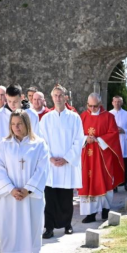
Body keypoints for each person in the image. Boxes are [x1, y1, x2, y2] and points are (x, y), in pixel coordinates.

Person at [0, 111, 49, 253]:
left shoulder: (39, 144)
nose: (16, 127)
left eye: (19, 124)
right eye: (13, 124)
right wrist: (11, 189)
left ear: (27, 124)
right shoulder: (4, 145)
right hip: (10, 199)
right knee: (10, 232)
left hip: (30, 198)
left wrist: (28, 189)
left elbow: (42, 169)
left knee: (31, 229)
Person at [37, 85, 84, 238]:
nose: (58, 98)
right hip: (51, 164)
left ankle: (67, 224)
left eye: (60, 95)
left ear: (65, 97)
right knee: (50, 198)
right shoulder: (46, 118)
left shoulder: (74, 117)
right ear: (52, 98)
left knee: (66, 197)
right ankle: (49, 227)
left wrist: (67, 158)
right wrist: (49, 157)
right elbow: (41, 140)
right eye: (55, 95)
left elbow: (78, 140)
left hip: (66, 164)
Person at [79, 93, 125, 223]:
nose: (92, 109)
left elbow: (114, 134)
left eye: (95, 106)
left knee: (104, 181)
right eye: (90, 106)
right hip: (87, 156)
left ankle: (105, 209)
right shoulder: (83, 116)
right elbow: (76, 135)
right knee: (87, 182)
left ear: (100, 104)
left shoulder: (109, 117)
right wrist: (85, 139)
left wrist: (98, 139)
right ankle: (90, 213)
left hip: (103, 156)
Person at [0, 84, 39, 149]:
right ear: (6, 96)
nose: (12, 104)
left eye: (15, 101)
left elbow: (36, 137)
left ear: (22, 97)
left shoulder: (32, 114)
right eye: (9, 101)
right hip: (4, 156)